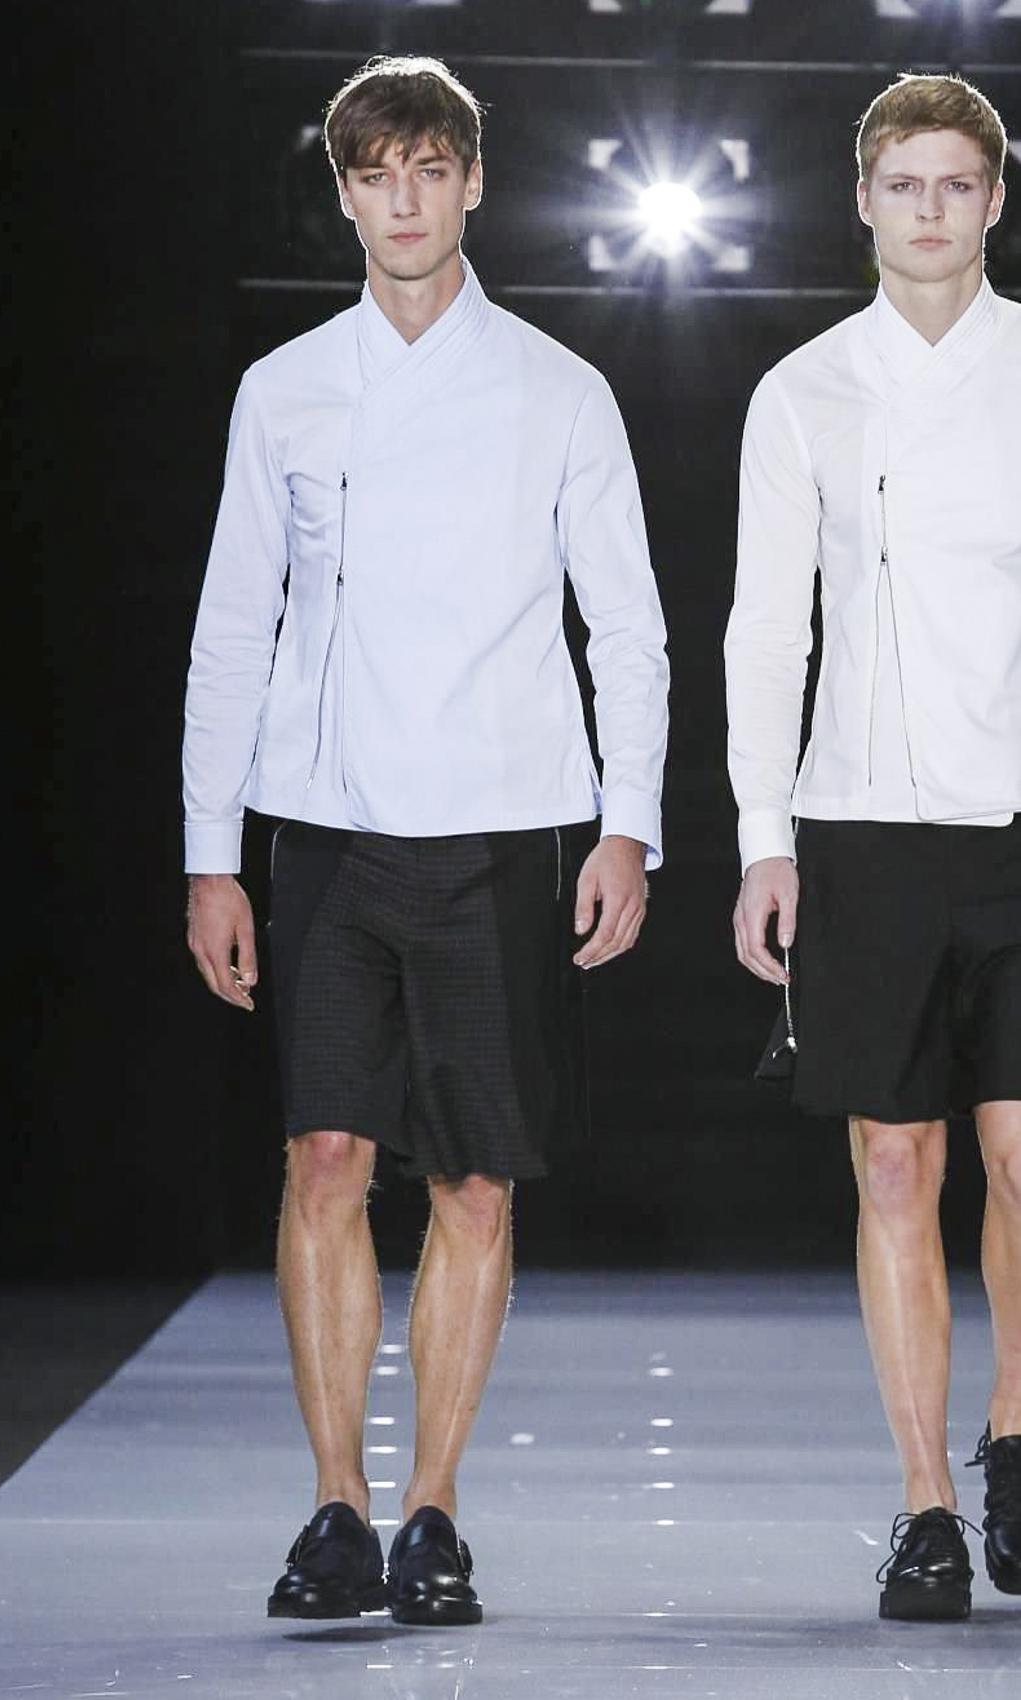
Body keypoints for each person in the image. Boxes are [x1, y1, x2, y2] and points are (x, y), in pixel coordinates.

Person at [183, 55, 669, 1625]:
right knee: (324, 1158)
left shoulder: (556, 389)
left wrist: (628, 825)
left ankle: (432, 1511)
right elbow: (231, 629)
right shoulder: (285, 388)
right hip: (326, 833)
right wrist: (210, 851)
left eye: (429, 169)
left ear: (472, 182)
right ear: (342, 195)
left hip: (499, 833)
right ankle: (335, 1506)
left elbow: (627, 628)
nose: (403, 199)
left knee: (469, 1181)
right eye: (374, 173)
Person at [726, 72, 1021, 1621]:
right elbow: (765, 629)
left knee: (1020, 1160)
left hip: (1016, 819)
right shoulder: (804, 392)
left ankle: (1015, 1437)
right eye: (901, 182)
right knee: (895, 1164)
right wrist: (759, 837)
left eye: (954, 182)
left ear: (992, 200)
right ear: (860, 199)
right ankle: (923, 1505)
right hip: (855, 824)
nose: (927, 208)